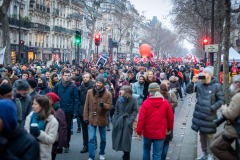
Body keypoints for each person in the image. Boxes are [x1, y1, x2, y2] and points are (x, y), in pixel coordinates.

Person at [186, 66, 225, 160]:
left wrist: (212, 108)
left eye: (206, 73)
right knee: (202, 136)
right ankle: (204, 153)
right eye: (203, 72)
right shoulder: (199, 84)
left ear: (210, 75)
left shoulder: (216, 86)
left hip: (210, 117)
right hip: (199, 116)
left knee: (210, 136)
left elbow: (221, 100)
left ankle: (211, 155)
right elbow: (188, 91)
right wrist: (192, 82)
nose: (204, 74)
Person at [137, 82, 174, 160]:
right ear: (158, 90)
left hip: (148, 132)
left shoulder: (146, 103)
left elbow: (141, 119)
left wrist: (139, 132)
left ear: (149, 91)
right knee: (157, 154)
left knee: (146, 150)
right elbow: (170, 118)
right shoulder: (165, 103)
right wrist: (169, 129)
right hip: (160, 132)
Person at [210, 75, 240, 160]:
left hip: (234, 130)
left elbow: (230, 114)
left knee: (215, 147)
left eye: (233, 83)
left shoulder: (237, 97)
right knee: (217, 140)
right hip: (234, 127)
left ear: (237, 84)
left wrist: (224, 109)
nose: (231, 85)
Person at [83, 74, 112, 160]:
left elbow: (110, 106)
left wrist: (104, 106)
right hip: (91, 118)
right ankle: (91, 156)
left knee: (103, 138)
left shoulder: (108, 94)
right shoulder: (89, 92)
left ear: (103, 84)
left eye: (100, 83)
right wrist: (85, 117)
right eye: (97, 82)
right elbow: (86, 105)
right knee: (91, 138)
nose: (98, 84)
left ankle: (102, 153)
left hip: (102, 118)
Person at [24, 95, 59, 160]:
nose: (32, 106)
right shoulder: (30, 116)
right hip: (29, 153)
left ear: (42, 106)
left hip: (43, 155)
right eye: (33, 104)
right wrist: (30, 133)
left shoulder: (53, 121)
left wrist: (39, 133)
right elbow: (25, 132)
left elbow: (51, 140)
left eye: (35, 104)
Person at [54, 69, 79, 153]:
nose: (67, 77)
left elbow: (76, 99)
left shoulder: (73, 86)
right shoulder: (57, 85)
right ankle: (59, 145)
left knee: (67, 129)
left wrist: (75, 111)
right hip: (59, 110)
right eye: (65, 75)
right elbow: (54, 98)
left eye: (68, 75)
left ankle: (66, 144)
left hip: (69, 110)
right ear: (62, 76)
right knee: (58, 128)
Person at [112, 85, 138, 160]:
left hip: (127, 121)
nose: (120, 91)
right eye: (121, 89)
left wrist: (130, 120)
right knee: (119, 138)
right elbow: (116, 109)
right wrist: (115, 119)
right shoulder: (119, 99)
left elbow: (135, 110)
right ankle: (124, 153)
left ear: (126, 91)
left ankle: (127, 155)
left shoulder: (133, 99)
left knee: (126, 139)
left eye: (122, 90)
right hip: (119, 120)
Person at [159, 83, 178, 160]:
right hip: (166, 121)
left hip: (160, 122)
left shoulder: (157, 98)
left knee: (159, 144)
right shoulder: (168, 96)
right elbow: (170, 119)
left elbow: (175, 102)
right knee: (166, 142)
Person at [47, 92, 67, 160]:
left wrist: (61, 144)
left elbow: (63, 128)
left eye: (48, 99)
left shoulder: (59, 112)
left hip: (54, 140)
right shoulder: (45, 110)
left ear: (52, 101)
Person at [78, 72, 94, 153]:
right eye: (84, 77)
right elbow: (78, 100)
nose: (85, 78)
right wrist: (80, 109)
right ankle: (85, 145)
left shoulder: (93, 88)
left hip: (91, 111)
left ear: (90, 78)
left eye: (87, 77)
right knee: (84, 129)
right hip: (82, 111)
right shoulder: (80, 88)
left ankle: (93, 144)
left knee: (92, 129)